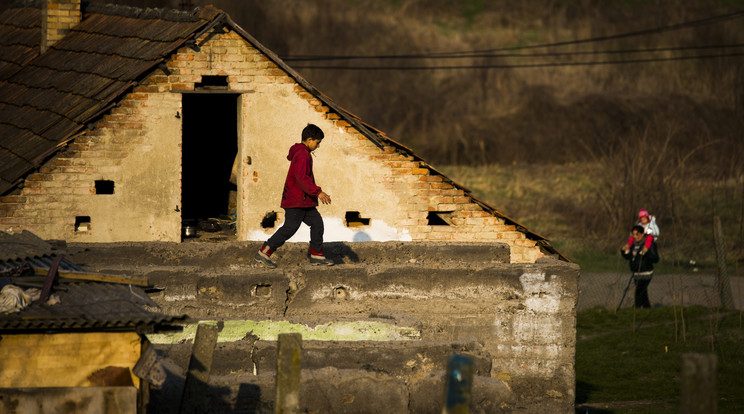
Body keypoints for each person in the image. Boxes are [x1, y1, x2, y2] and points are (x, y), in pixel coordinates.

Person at [254, 124, 334, 268]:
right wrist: (318, 192)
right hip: (296, 201)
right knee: (290, 228)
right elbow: (302, 178)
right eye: (317, 142)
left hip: (304, 202)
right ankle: (264, 252)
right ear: (309, 140)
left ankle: (316, 255)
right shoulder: (302, 155)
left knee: (317, 223)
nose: (318, 146)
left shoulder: (303, 154)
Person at [621, 225, 659, 308]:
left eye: (637, 234)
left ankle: (636, 308)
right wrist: (625, 251)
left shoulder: (649, 244)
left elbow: (655, 259)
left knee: (639, 291)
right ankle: (647, 308)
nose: (635, 237)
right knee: (643, 292)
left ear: (642, 234)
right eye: (633, 234)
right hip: (636, 273)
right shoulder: (633, 245)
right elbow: (630, 257)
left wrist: (646, 252)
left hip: (646, 273)